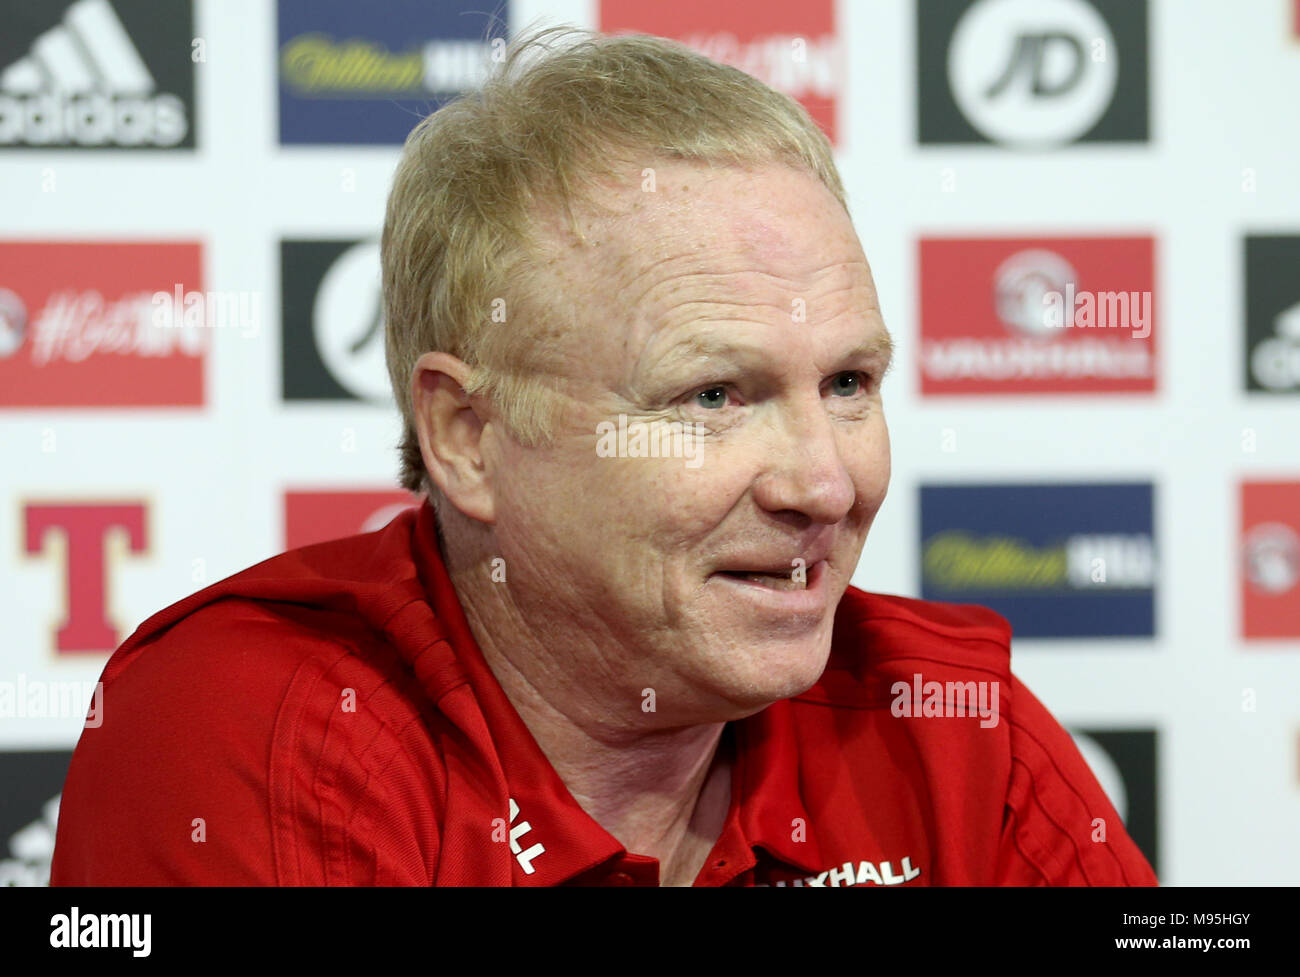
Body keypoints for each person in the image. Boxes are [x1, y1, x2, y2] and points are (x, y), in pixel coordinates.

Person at [51, 27, 1157, 887]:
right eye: (714, 395)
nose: (825, 483)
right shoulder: (261, 727)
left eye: (848, 384)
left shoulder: (951, 731)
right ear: (468, 437)